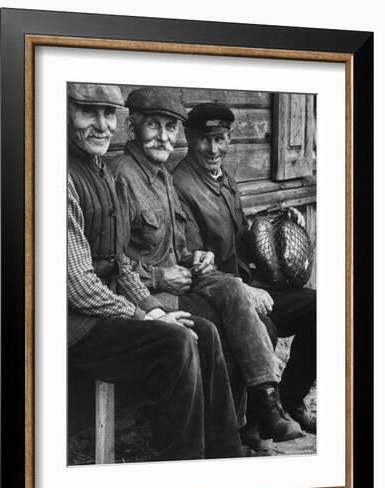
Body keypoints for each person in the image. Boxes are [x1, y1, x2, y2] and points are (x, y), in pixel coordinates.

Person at [67, 82, 250, 461]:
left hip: (108, 312)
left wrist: (155, 308)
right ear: (65, 113)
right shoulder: (62, 177)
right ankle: (181, 466)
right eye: (89, 112)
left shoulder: (100, 171)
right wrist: (145, 314)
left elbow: (119, 262)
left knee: (203, 331)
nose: (101, 125)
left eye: (107, 114)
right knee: (177, 341)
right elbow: (79, 287)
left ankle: (225, 455)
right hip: (74, 326)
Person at [112, 86, 303, 443]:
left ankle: (264, 403)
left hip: (183, 278)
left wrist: (195, 257)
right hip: (149, 294)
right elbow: (113, 261)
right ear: (132, 129)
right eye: (153, 125)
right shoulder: (123, 176)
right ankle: (232, 430)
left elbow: (178, 245)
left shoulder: (164, 177)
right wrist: (157, 275)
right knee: (235, 322)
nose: (163, 136)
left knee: (232, 289)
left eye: (170, 127)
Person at [172, 102, 316, 434]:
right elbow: (192, 259)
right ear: (189, 137)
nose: (213, 148)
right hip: (219, 297)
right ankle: (255, 422)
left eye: (220, 139)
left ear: (229, 139)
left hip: (251, 285)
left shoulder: (225, 179)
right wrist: (245, 290)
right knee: (263, 326)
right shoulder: (180, 186)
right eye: (205, 139)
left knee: (319, 308)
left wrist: (280, 219)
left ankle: (291, 402)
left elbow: (241, 236)